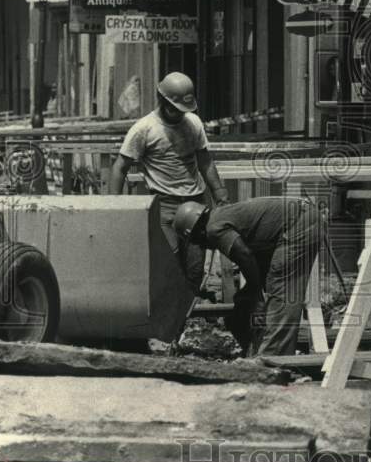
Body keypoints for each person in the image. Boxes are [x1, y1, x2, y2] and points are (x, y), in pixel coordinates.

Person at [109, 72, 229, 292]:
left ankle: (187, 314)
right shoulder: (143, 129)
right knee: (168, 265)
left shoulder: (193, 123)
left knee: (194, 266)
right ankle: (168, 318)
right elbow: (120, 167)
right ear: (162, 99)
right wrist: (114, 206)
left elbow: (204, 160)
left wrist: (219, 192)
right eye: (174, 109)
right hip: (164, 206)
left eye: (183, 110)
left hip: (195, 204)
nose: (178, 115)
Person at [173, 196, 321, 356]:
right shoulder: (221, 216)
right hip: (301, 219)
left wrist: (255, 289)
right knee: (252, 301)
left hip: (299, 223)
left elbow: (244, 255)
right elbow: (257, 255)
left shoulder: (213, 229)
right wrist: (253, 290)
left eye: (196, 241)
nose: (202, 246)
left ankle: (272, 360)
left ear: (196, 230)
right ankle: (264, 350)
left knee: (282, 292)